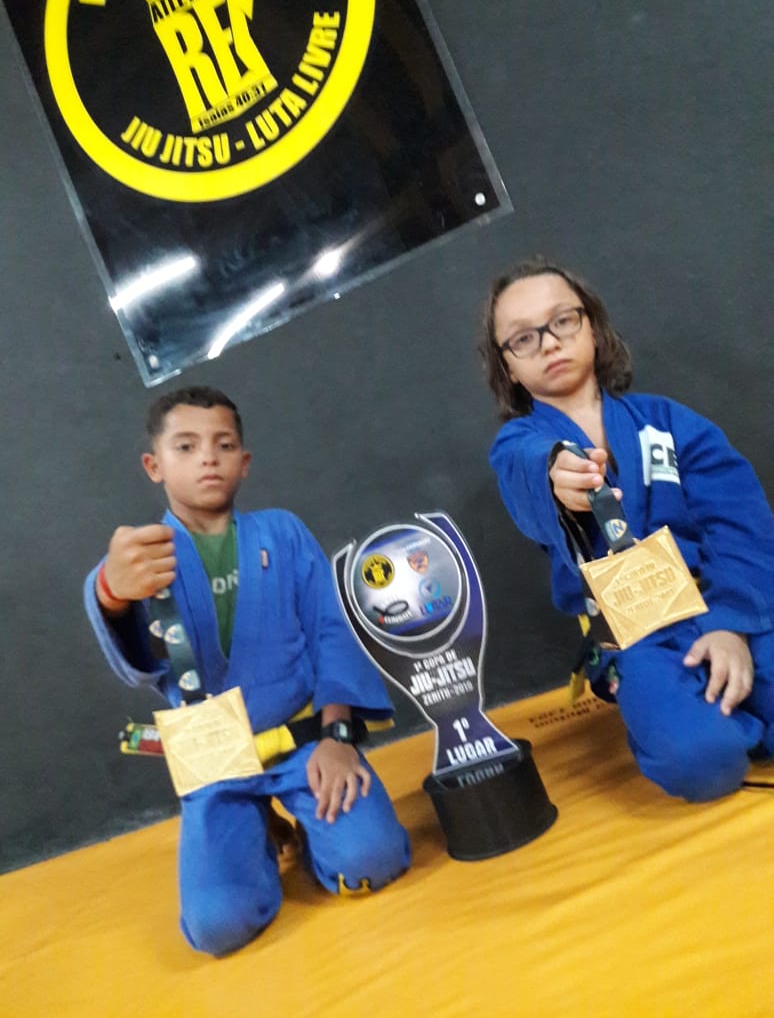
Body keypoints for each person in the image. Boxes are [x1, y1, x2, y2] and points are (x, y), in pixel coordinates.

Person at [84, 386, 411, 956]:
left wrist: (338, 736)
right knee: (218, 927)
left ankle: (309, 829)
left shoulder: (282, 533)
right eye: (186, 446)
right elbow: (135, 652)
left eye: (224, 444)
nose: (208, 458)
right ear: (154, 466)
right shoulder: (144, 557)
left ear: (245, 461)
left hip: (305, 743)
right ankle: (254, 832)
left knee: (371, 860)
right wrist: (111, 590)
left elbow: (330, 631)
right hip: (217, 762)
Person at [479, 257, 774, 803]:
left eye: (562, 321)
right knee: (700, 761)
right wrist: (555, 473)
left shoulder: (670, 421)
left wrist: (731, 625)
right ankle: (733, 727)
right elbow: (527, 473)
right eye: (523, 338)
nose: (548, 342)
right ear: (508, 368)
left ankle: (737, 708)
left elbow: (739, 522)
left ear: (591, 326)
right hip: (636, 632)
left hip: (724, 602)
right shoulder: (520, 447)